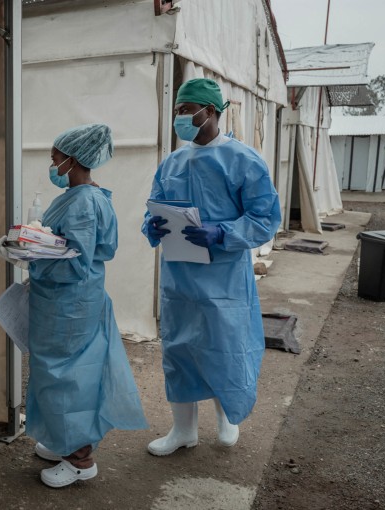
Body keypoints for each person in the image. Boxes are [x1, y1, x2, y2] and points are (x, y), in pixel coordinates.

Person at [0, 124, 148, 488]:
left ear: (72, 160)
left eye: (54, 159)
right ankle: (66, 443)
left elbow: (76, 262)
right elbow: (88, 250)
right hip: (69, 302)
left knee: (68, 378)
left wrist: (28, 254)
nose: (52, 165)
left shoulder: (82, 203)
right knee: (60, 374)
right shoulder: (91, 195)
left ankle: (81, 460)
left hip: (69, 304)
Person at [141, 79, 281, 456]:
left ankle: (227, 416)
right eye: (178, 111)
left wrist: (223, 232)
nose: (181, 117)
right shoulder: (172, 162)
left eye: (188, 110)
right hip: (179, 277)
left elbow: (265, 217)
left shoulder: (243, 160)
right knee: (180, 348)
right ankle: (183, 429)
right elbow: (153, 205)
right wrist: (151, 225)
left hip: (223, 279)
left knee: (223, 346)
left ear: (212, 112)